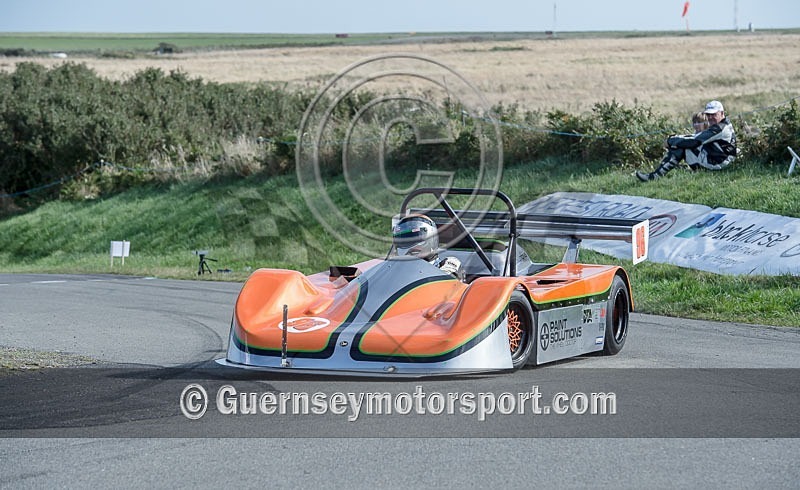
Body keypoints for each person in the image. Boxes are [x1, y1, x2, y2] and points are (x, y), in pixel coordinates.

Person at [636, 100, 737, 182]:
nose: (710, 117)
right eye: (708, 115)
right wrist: (675, 138)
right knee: (682, 143)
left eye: (714, 114)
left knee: (683, 147)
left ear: (722, 113)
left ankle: (655, 176)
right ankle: (657, 174)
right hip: (719, 158)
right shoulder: (722, 124)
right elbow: (697, 137)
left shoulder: (719, 128)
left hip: (718, 164)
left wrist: (671, 141)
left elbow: (694, 141)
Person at [392, 214, 464, 280]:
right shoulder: (393, 270)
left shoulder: (448, 265)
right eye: (405, 240)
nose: (411, 245)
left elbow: (447, 284)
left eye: (417, 237)